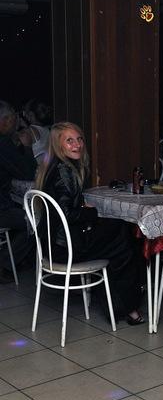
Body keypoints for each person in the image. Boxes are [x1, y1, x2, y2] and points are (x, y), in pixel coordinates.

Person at [36, 121, 145, 324]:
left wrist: (83, 208)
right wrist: (91, 212)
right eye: (69, 141)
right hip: (65, 248)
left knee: (119, 233)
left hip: (52, 245)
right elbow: (67, 214)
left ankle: (122, 306)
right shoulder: (64, 171)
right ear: (58, 145)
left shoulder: (54, 167)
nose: (77, 145)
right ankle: (128, 307)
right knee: (124, 236)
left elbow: (62, 208)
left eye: (79, 139)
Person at [0, 100, 37, 282]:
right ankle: (5, 264)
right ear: (6, 120)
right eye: (14, 118)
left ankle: (16, 261)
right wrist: (27, 146)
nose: (17, 122)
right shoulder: (3, 144)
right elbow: (28, 172)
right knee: (36, 221)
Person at [21, 98, 51, 164]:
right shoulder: (48, 130)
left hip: (35, 169)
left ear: (30, 114)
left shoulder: (28, 132)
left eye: (25, 112)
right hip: (47, 168)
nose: (24, 115)